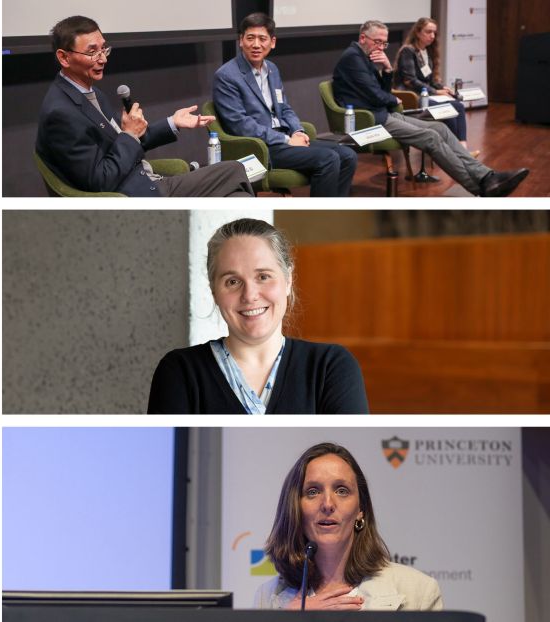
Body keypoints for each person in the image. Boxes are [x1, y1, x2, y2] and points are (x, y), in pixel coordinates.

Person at [147, 218, 368, 414]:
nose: (250, 295)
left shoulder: (331, 367)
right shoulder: (180, 372)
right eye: (232, 282)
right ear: (214, 290)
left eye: (263, 276)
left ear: (288, 280)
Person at [35, 15, 253, 197]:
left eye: (104, 49)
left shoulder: (92, 93)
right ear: (64, 57)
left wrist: (172, 123)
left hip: (145, 178)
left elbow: (124, 144)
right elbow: (101, 180)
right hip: (140, 193)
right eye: (92, 52)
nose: (102, 59)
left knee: (238, 195)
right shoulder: (61, 113)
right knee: (235, 169)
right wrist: (129, 135)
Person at [333, 20, 528, 197]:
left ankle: (487, 176)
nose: (381, 47)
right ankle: (481, 188)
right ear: (362, 38)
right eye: (377, 42)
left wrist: (387, 69)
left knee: (440, 128)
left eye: (384, 43)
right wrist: (392, 99)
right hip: (369, 119)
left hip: (383, 113)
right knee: (431, 137)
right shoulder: (353, 59)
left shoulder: (366, 57)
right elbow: (374, 95)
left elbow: (379, 91)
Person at [255, 442, 442, 611]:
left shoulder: (418, 591)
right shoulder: (268, 597)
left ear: (360, 509)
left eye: (342, 490)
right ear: (295, 508)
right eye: (313, 491)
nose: (327, 503)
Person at [214, 13, 357, 197]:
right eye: (250, 38)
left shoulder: (272, 69)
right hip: (261, 148)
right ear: (241, 41)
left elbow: (285, 108)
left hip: (285, 140)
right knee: (328, 159)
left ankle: (336, 213)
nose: (256, 44)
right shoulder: (226, 76)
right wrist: (287, 140)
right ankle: (318, 217)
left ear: (272, 42)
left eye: (262, 39)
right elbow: (240, 125)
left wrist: (298, 131)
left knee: (348, 155)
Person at [393, 17, 474, 153]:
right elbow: (410, 81)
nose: (432, 36)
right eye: (428, 32)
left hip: (425, 94)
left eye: (434, 33)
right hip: (412, 97)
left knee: (456, 104)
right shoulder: (408, 51)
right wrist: (436, 92)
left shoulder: (427, 51)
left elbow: (429, 80)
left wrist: (442, 88)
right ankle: (461, 151)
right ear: (418, 33)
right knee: (455, 108)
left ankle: (459, 150)